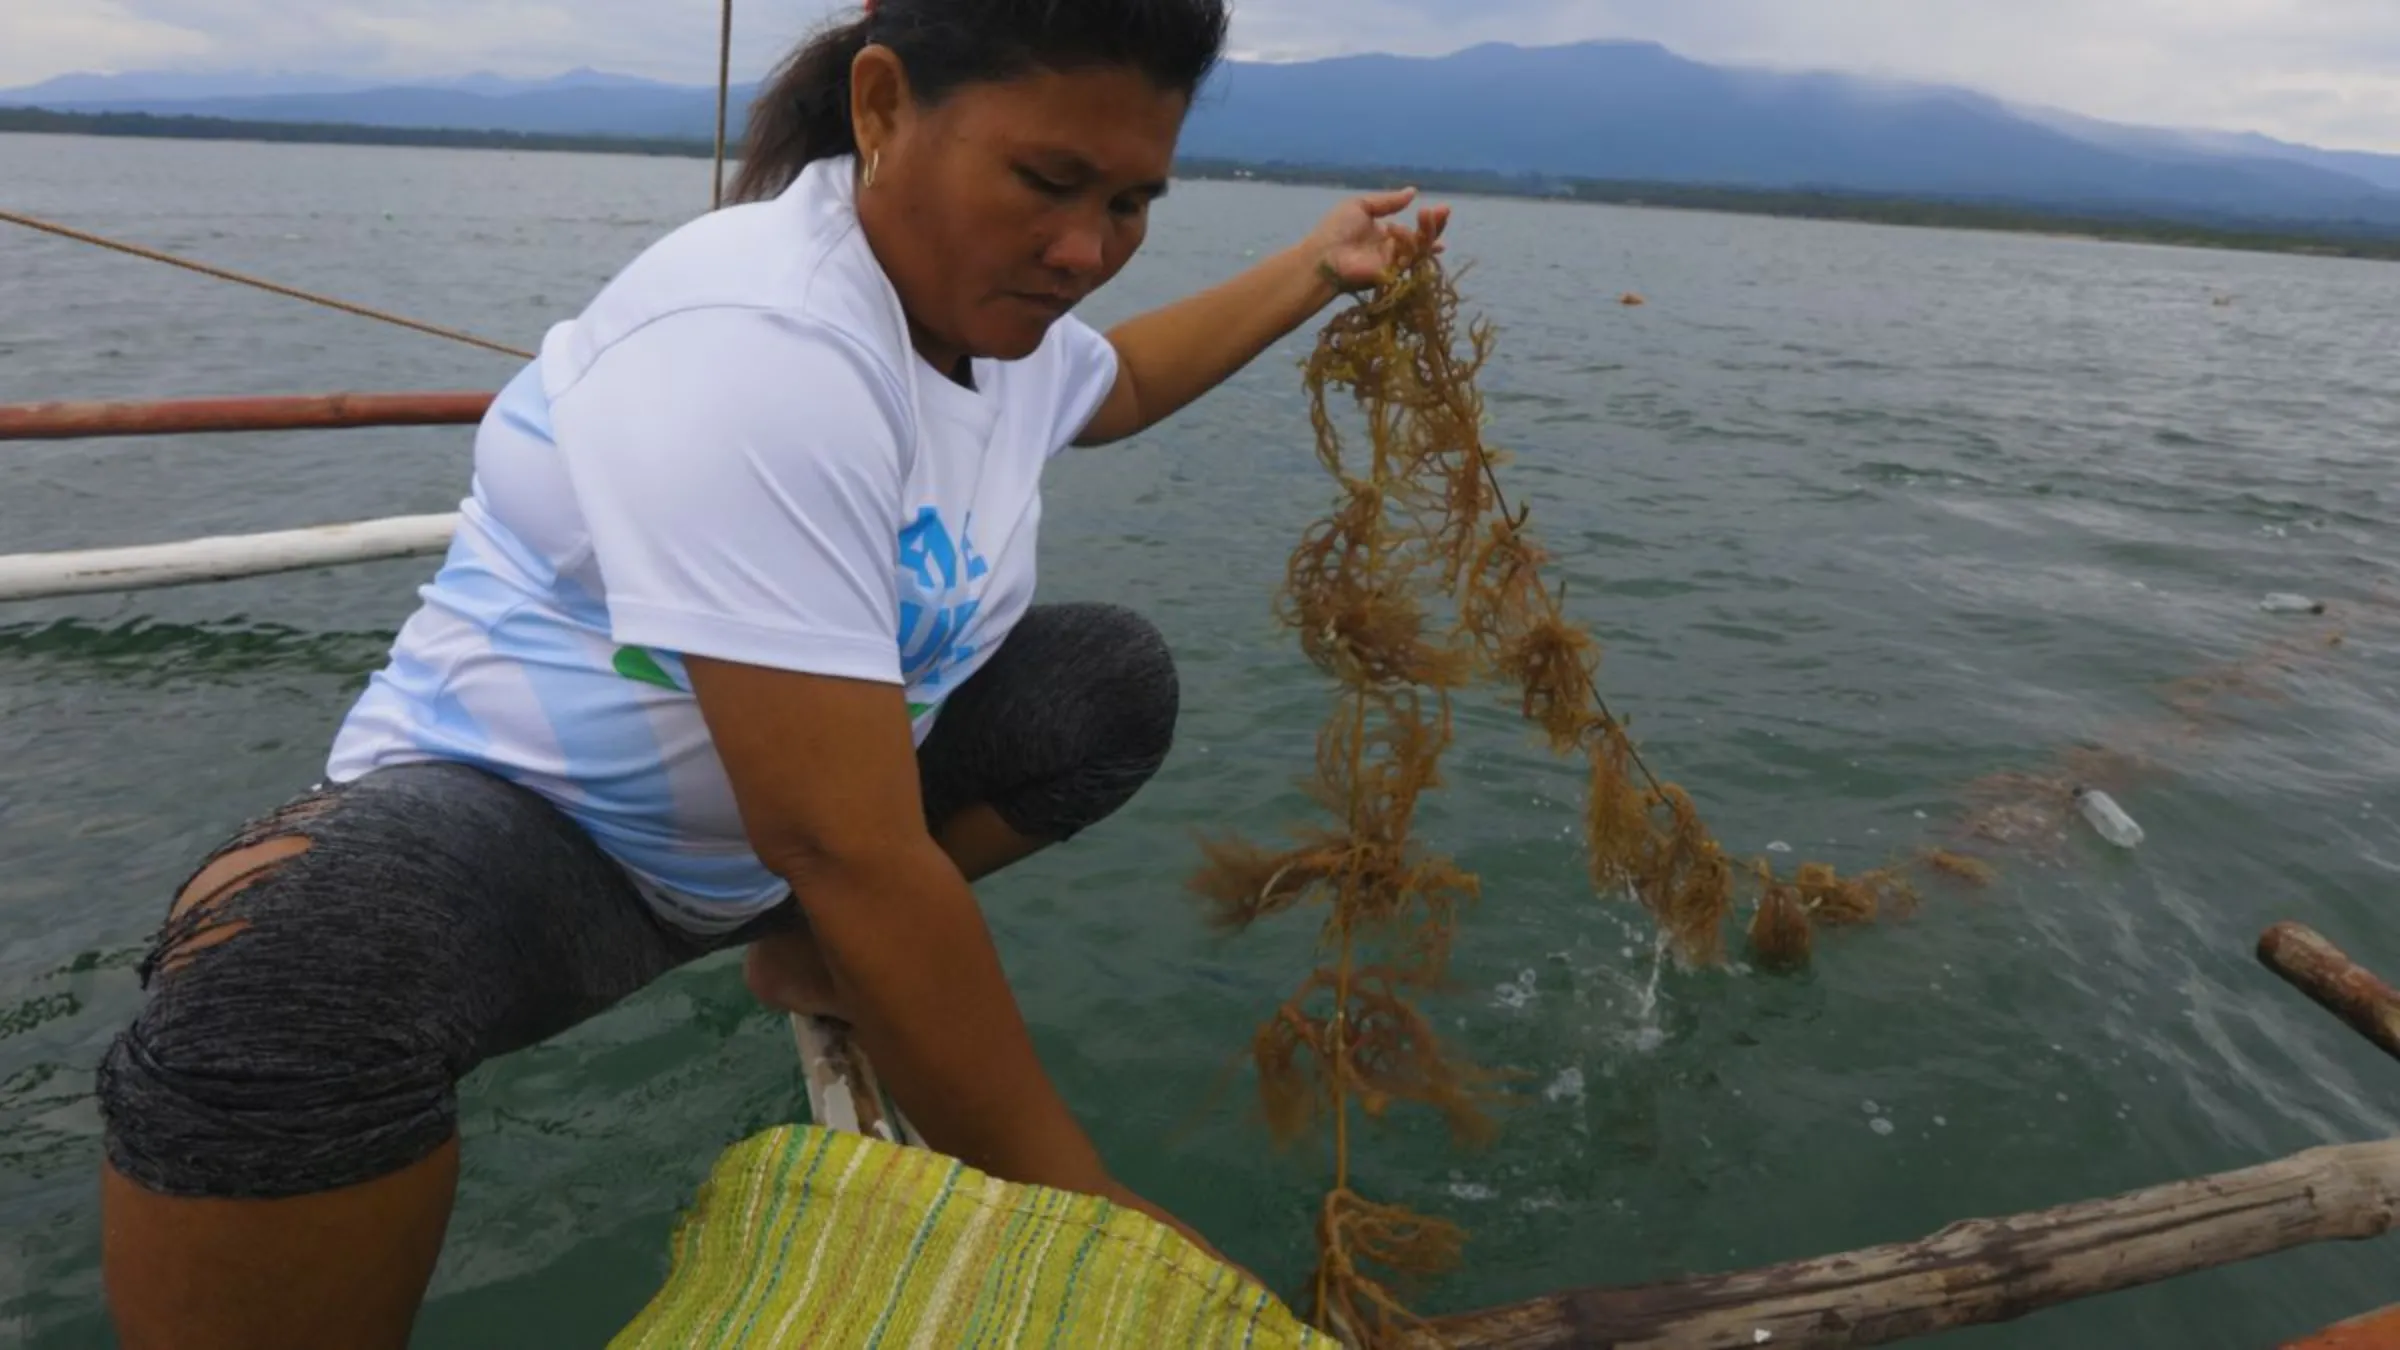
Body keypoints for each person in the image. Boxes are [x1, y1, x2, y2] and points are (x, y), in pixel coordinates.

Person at [92, 1, 1449, 1346]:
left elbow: (1121, 386)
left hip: (772, 861)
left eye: (1134, 201)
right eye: (1046, 182)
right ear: (880, 107)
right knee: (293, 952)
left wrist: (1315, 268)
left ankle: (800, 956)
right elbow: (850, 842)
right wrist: (1095, 1215)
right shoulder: (758, 343)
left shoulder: (989, 311)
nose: (1086, 249)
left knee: (1103, 679)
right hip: (549, 845)